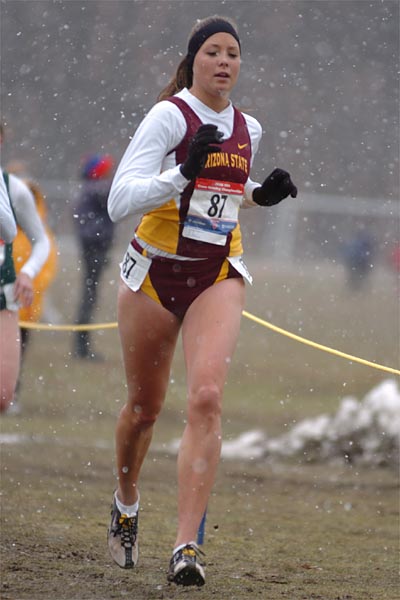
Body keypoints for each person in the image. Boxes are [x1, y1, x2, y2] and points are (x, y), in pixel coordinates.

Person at [107, 15, 297, 587]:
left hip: (216, 271)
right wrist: (179, 174)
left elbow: (225, 195)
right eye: (213, 52)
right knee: (144, 410)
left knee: (208, 397)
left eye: (233, 54)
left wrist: (259, 194)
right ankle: (126, 500)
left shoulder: (249, 127)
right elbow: (121, 199)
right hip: (154, 275)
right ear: (193, 60)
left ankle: (186, 546)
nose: (224, 62)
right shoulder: (170, 116)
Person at [6, 161, 58, 411]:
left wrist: (29, 281)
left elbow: (46, 263)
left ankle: (12, 392)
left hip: (25, 307)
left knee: (15, 355)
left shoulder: (38, 233)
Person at [72, 154, 115, 360]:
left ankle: (82, 345)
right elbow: (114, 197)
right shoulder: (96, 189)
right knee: (89, 296)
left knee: (90, 295)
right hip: (94, 247)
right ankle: (82, 347)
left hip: (95, 247)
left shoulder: (90, 190)